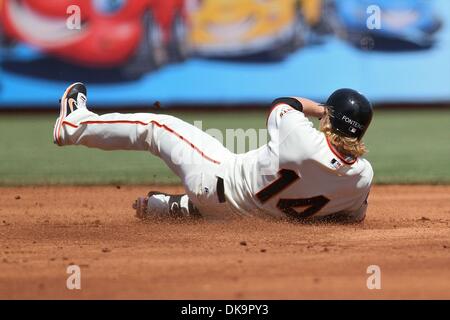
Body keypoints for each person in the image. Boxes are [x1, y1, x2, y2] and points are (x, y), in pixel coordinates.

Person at [53, 83, 373, 222]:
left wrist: (319, 108)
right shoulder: (362, 177)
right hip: (242, 218)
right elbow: (350, 218)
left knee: (156, 127)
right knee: (237, 199)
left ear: (329, 118)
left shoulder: (302, 138)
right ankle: (171, 208)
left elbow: (283, 104)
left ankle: (73, 124)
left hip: (214, 181)